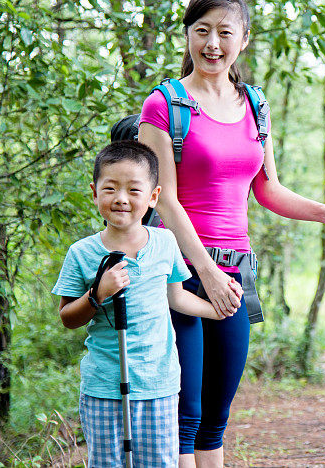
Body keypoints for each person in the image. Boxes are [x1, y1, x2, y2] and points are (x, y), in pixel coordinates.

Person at [137, 0, 325, 468]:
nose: (212, 44)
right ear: (187, 35)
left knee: (216, 416)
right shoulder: (164, 105)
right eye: (202, 31)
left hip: (236, 273)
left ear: (244, 39)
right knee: (185, 415)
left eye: (224, 32)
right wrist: (208, 274)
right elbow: (166, 201)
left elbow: (268, 189)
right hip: (179, 270)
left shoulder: (255, 105)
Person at [52, 140, 227, 466]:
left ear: (153, 196)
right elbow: (67, 318)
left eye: (134, 189)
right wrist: (97, 294)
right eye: (110, 188)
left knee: (159, 462)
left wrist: (217, 311)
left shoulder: (165, 242)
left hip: (157, 384)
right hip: (104, 386)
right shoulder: (82, 253)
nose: (121, 198)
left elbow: (175, 296)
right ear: (94, 192)